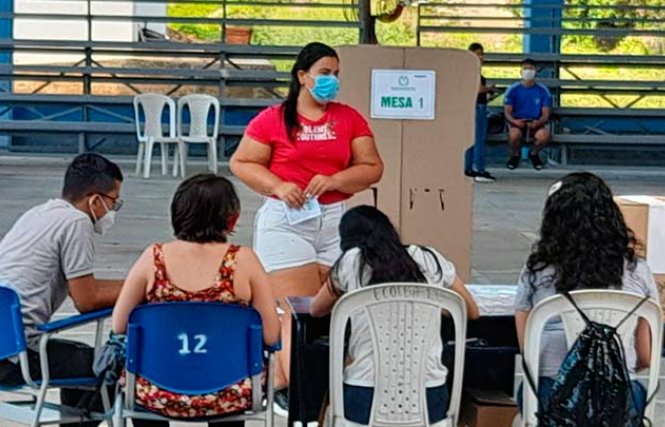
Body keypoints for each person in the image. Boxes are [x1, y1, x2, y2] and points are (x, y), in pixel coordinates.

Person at [229, 41, 384, 409]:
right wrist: (278, 186)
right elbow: (242, 163)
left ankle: (312, 387)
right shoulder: (273, 118)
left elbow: (372, 167)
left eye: (336, 74)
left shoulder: (349, 118)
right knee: (293, 310)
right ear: (303, 76)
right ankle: (296, 393)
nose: (332, 81)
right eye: (325, 73)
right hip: (287, 219)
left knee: (334, 309)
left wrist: (335, 180)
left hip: (334, 219)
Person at [112, 173, 281, 426]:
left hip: (155, 392)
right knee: (230, 375)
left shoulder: (153, 258)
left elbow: (119, 324)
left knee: (139, 380)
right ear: (232, 218)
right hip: (228, 394)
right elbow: (270, 335)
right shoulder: (244, 261)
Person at [310, 206, 480, 425]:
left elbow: (316, 309)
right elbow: (471, 310)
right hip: (429, 397)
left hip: (364, 393)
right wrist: (432, 308)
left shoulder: (352, 262)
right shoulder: (429, 258)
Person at [513, 172, 658, 417]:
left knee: (525, 391)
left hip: (553, 394)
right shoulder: (639, 271)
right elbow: (645, 356)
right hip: (620, 397)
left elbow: (529, 350)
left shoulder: (536, 271)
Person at [0, 153, 124, 426]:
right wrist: (138, 291)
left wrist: (131, 284)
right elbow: (86, 300)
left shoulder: (40, 213)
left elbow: (80, 286)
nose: (112, 211)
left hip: (4, 342)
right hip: (14, 357)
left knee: (79, 356)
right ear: (95, 200)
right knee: (107, 366)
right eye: (114, 202)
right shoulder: (77, 223)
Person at [503, 58, 552, 171]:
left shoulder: (543, 90)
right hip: (518, 121)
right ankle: (515, 155)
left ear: (535, 71)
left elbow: (545, 114)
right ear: (520, 71)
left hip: (536, 122)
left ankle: (534, 154)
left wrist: (538, 122)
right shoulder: (512, 90)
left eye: (531, 69)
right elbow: (507, 111)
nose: (528, 71)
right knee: (514, 135)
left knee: (544, 136)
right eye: (525, 69)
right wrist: (515, 122)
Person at [464, 42, 498, 182]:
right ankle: (480, 169)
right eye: (478, 54)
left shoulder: (465, 71)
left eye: (482, 54)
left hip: (470, 106)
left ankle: (468, 168)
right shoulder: (474, 71)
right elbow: (478, 90)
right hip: (478, 106)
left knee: (470, 140)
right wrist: (490, 89)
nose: (481, 57)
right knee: (478, 139)